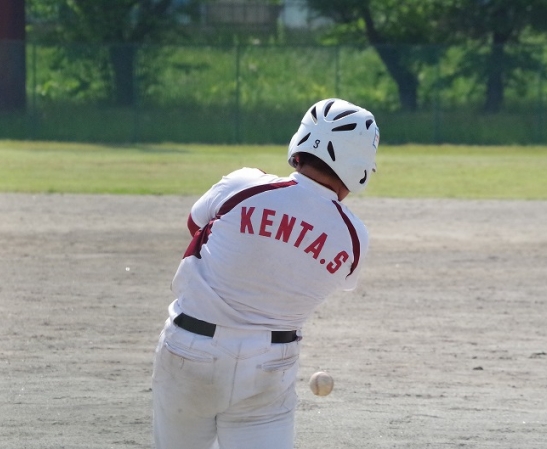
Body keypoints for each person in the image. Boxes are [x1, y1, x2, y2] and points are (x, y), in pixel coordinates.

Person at [152, 98, 380, 449]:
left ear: (301, 144)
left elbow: (194, 225)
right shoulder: (354, 236)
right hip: (270, 365)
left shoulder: (244, 184)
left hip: (189, 351)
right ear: (359, 168)